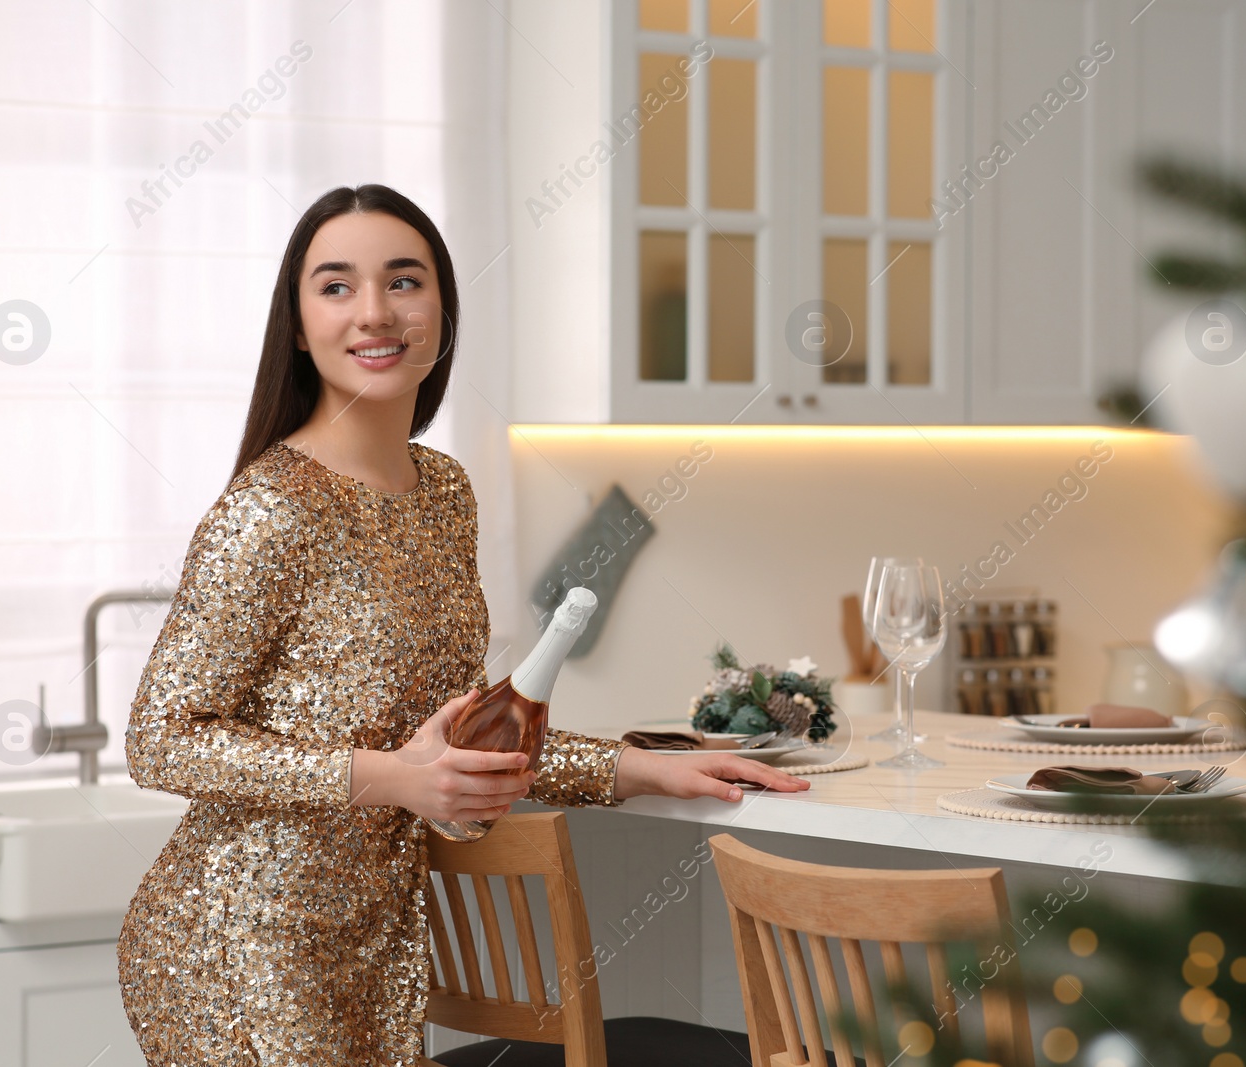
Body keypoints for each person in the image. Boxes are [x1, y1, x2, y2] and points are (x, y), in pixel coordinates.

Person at [116, 184, 810, 1065]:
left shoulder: (443, 493)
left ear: (442, 308)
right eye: (335, 286)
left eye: (404, 281)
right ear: (296, 326)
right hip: (240, 941)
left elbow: (458, 741)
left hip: (374, 942)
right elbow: (160, 739)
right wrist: (392, 778)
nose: (375, 311)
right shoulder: (269, 507)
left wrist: (644, 768)